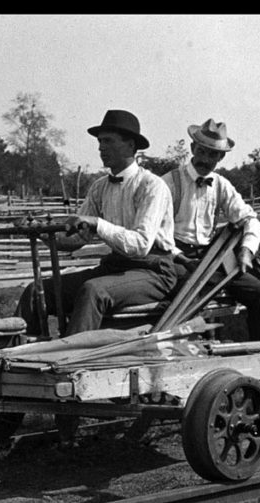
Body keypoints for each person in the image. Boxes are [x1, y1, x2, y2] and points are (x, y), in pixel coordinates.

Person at [161, 118, 260, 404]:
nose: (207, 159)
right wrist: (179, 257)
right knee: (188, 303)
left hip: (212, 260)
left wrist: (247, 250)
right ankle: (181, 382)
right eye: (202, 151)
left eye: (214, 154)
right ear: (192, 148)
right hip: (175, 256)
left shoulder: (221, 185)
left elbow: (249, 218)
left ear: (221, 157)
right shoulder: (168, 183)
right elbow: (156, 233)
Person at [15, 109, 177, 337]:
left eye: (108, 141)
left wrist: (98, 223)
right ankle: (20, 357)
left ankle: (70, 360)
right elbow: (77, 239)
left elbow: (140, 245)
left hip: (153, 271)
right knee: (36, 291)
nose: (101, 147)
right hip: (115, 267)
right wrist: (40, 231)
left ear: (131, 146)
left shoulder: (152, 186)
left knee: (93, 290)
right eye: (100, 141)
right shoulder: (99, 187)